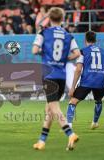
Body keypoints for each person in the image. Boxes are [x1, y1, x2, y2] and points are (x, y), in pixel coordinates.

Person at [32, 7, 81, 151]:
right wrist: (64, 58)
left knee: (54, 107)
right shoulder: (68, 35)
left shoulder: (44, 32)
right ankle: (41, 141)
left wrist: (47, 55)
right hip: (61, 75)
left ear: (49, 17)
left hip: (49, 75)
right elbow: (77, 53)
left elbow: (34, 50)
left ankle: (70, 133)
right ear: (62, 18)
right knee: (49, 109)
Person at [66, 31, 104, 129]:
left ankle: (69, 126)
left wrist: (72, 88)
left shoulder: (82, 52)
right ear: (95, 40)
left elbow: (78, 70)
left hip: (86, 81)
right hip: (100, 82)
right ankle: (95, 122)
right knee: (98, 101)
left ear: (85, 40)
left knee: (72, 102)